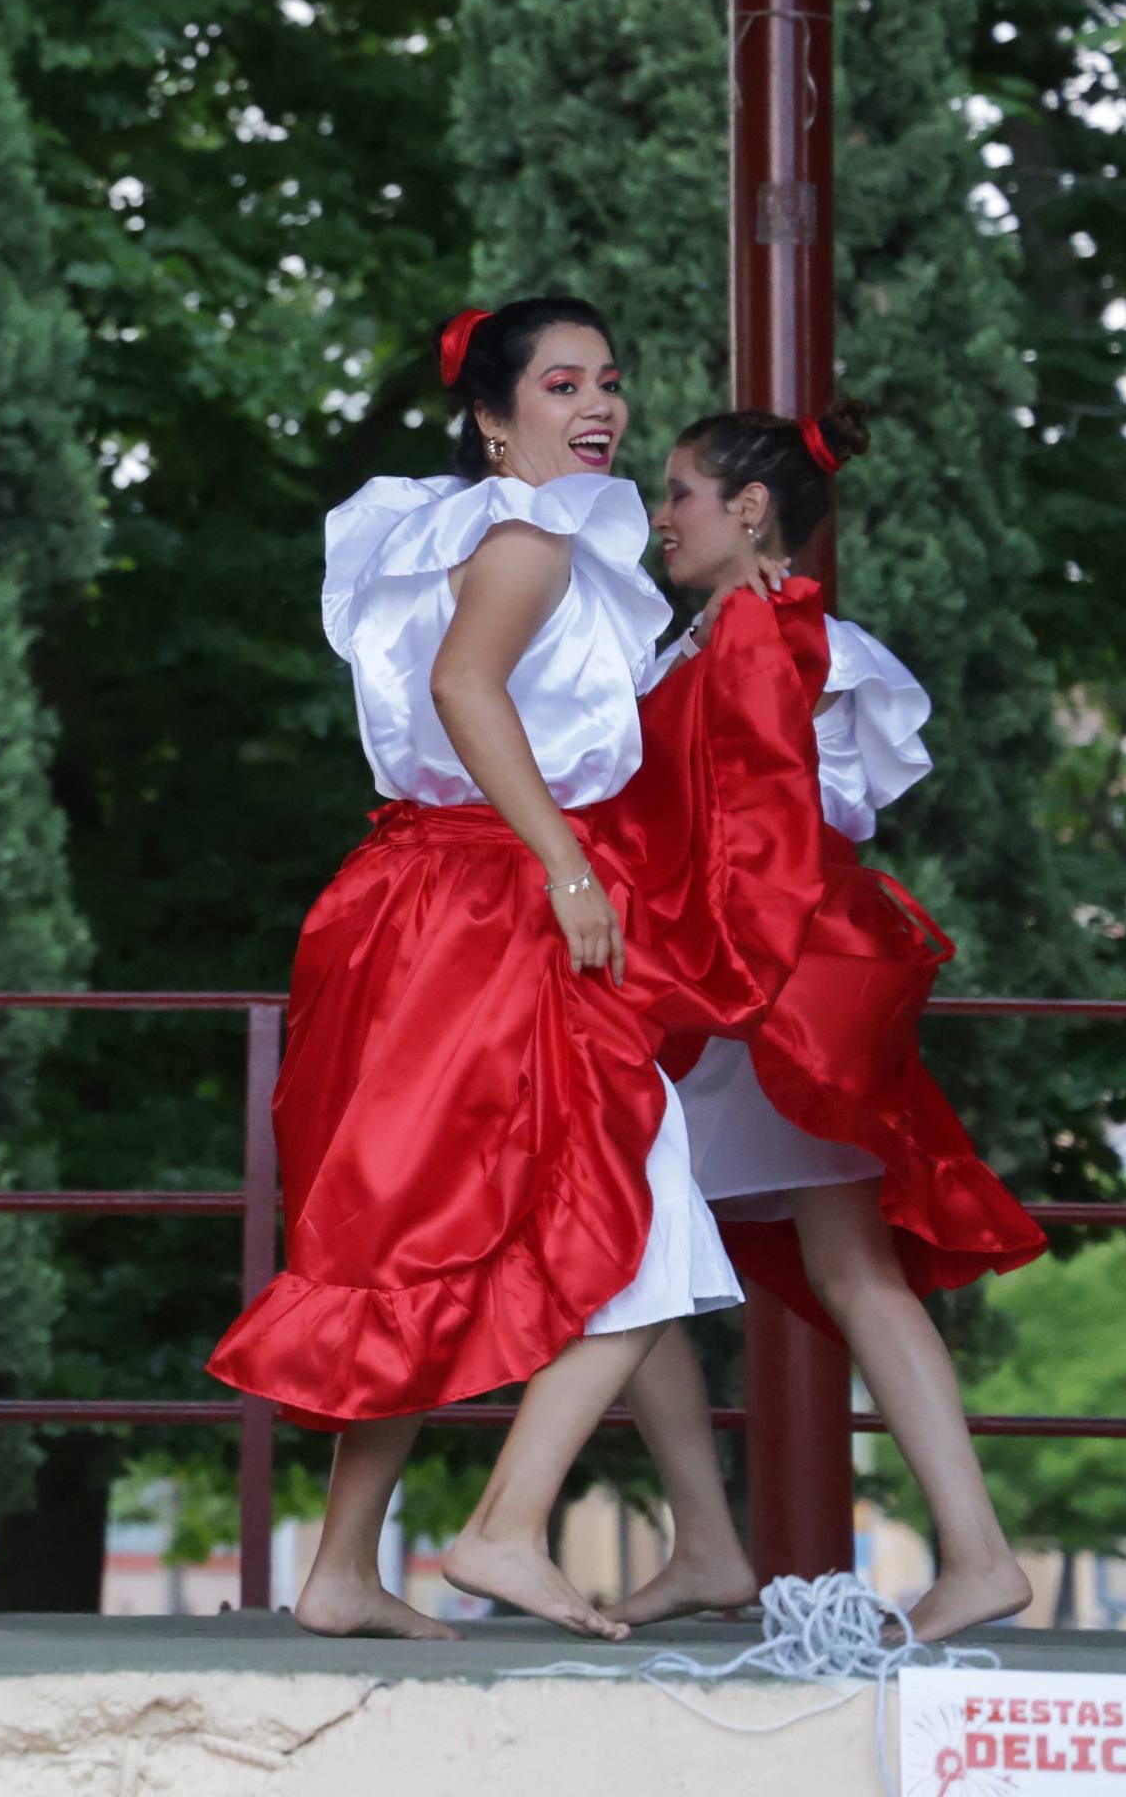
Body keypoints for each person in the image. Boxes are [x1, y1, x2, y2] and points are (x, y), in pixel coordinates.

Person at [207, 299, 826, 1641]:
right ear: (496, 417)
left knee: (418, 1226)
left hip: (429, 895)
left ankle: (339, 1570)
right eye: (561, 386)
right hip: (496, 903)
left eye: (609, 380)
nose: (597, 404)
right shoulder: (532, 535)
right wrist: (567, 865)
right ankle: (500, 1529)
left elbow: (520, 704)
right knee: (649, 1210)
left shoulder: (481, 531)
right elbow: (469, 691)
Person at [610, 401, 1043, 1643]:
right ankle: (956, 1550)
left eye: (680, 492)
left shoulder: (775, 639)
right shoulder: (734, 640)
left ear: (749, 510)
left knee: (621, 1239)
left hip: (761, 986)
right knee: (807, 1264)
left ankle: (733, 1543)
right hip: (772, 980)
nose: (660, 516)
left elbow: (773, 838)